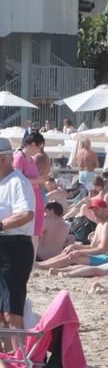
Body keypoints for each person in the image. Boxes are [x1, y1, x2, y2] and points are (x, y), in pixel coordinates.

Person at [0, 138, 35, 332]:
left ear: (4, 159)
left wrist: (1, 225)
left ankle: (17, 358)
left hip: (14, 248)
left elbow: (26, 213)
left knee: (11, 311)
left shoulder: (17, 182)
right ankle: (7, 358)